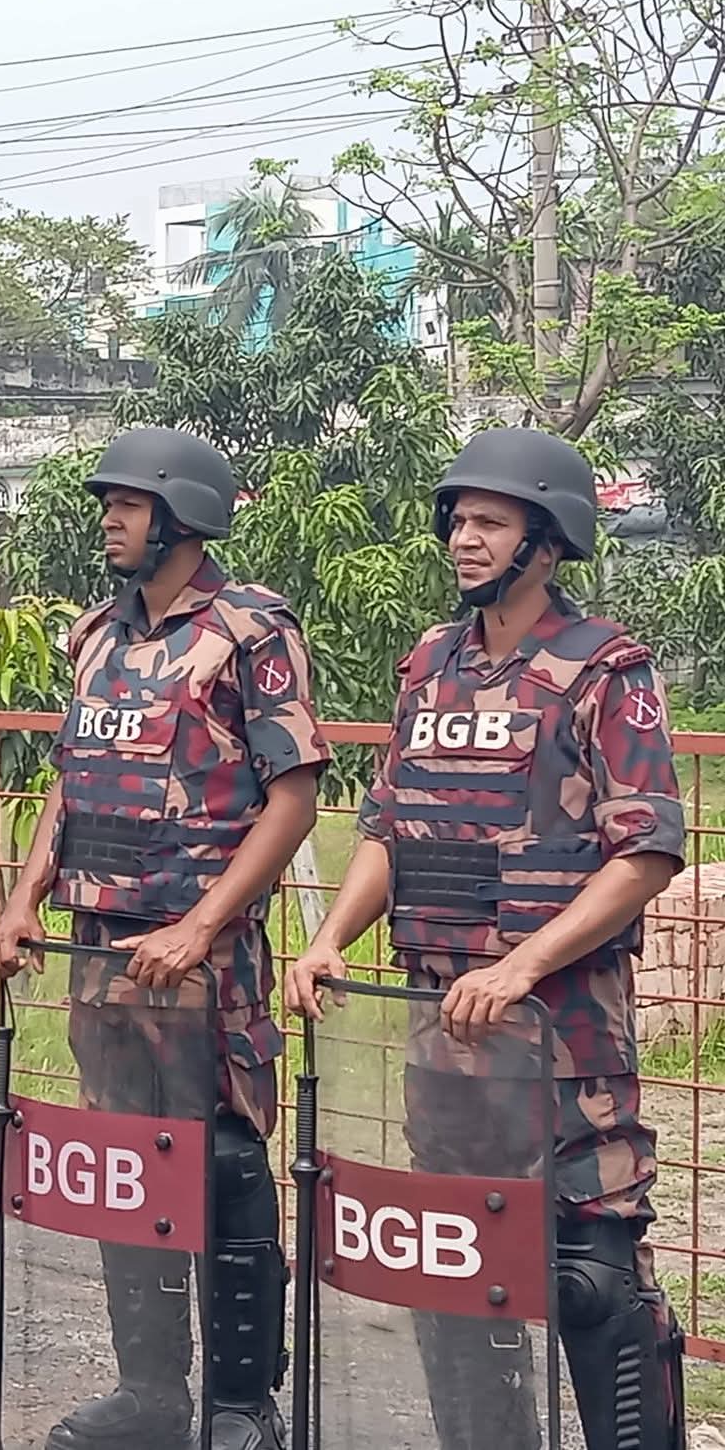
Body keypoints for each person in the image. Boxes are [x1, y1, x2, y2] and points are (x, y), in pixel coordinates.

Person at [286, 427, 686, 1450]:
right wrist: (329, 938)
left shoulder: (604, 669)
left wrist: (520, 967)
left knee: (593, 1271)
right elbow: (388, 827)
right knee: (450, 1257)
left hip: (561, 1035)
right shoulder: (429, 663)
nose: (464, 539)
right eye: (458, 520)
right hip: (440, 1031)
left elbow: (644, 852)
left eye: (490, 523)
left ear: (544, 541)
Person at [0, 427, 327, 1450]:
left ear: (181, 515)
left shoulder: (250, 629)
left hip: (202, 959)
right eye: (110, 504)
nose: (109, 519)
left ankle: (241, 1403)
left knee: (223, 1164)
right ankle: (150, 1393)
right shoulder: (96, 634)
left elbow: (294, 796)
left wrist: (200, 925)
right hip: (99, 948)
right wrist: (23, 897)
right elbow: (69, 781)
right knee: (120, 1165)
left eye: (127, 504)